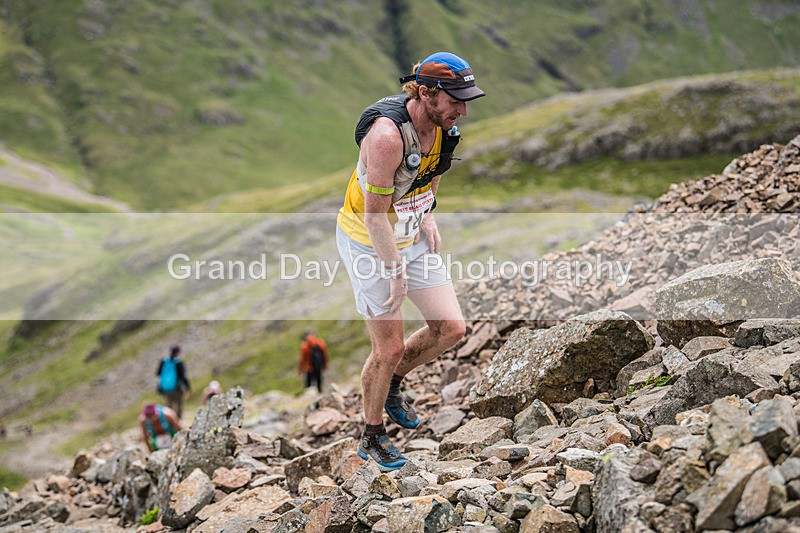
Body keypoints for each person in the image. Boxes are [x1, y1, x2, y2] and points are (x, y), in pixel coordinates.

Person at [336, 51, 482, 471]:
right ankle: (372, 434)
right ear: (424, 92)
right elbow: (373, 213)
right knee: (389, 346)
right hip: (369, 239)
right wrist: (394, 270)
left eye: (466, 99)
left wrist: (428, 215)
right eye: (455, 99)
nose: (463, 110)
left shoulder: (445, 129)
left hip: (409, 231)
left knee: (451, 328)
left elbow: (429, 179)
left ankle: (395, 382)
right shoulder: (386, 138)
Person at [156, 345, 191, 418]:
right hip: (177, 388)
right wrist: (188, 388)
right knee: (179, 404)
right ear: (177, 352)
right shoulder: (179, 362)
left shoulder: (163, 361)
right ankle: (178, 420)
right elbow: (183, 377)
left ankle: (169, 420)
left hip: (166, 388)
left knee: (168, 405)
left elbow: (158, 373)